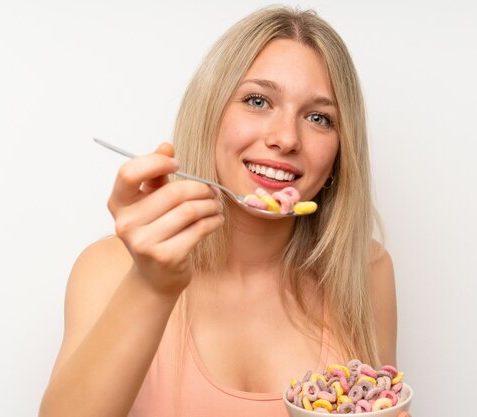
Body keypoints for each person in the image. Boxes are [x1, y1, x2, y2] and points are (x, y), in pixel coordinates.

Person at [40, 6, 410, 417]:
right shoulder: (110, 269)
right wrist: (152, 285)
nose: (286, 138)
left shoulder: (366, 269)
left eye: (319, 117)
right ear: (210, 113)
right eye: (257, 100)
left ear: (341, 152)